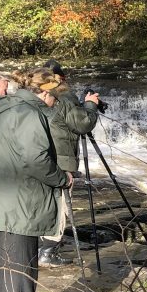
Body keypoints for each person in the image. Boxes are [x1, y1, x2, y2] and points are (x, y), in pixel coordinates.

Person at [0, 69, 71, 292]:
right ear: (45, 93)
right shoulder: (29, 113)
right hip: (20, 203)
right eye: (55, 99)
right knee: (20, 269)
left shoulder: (1, 107)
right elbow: (36, 159)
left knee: (0, 268)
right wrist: (63, 178)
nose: (56, 104)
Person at [39, 60, 101, 266]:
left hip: (38, 158)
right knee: (60, 206)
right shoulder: (64, 97)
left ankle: (36, 248)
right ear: (61, 79)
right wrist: (91, 105)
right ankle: (47, 252)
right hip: (62, 161)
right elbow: (82, 123)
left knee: (41, 204)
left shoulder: (35, 96)